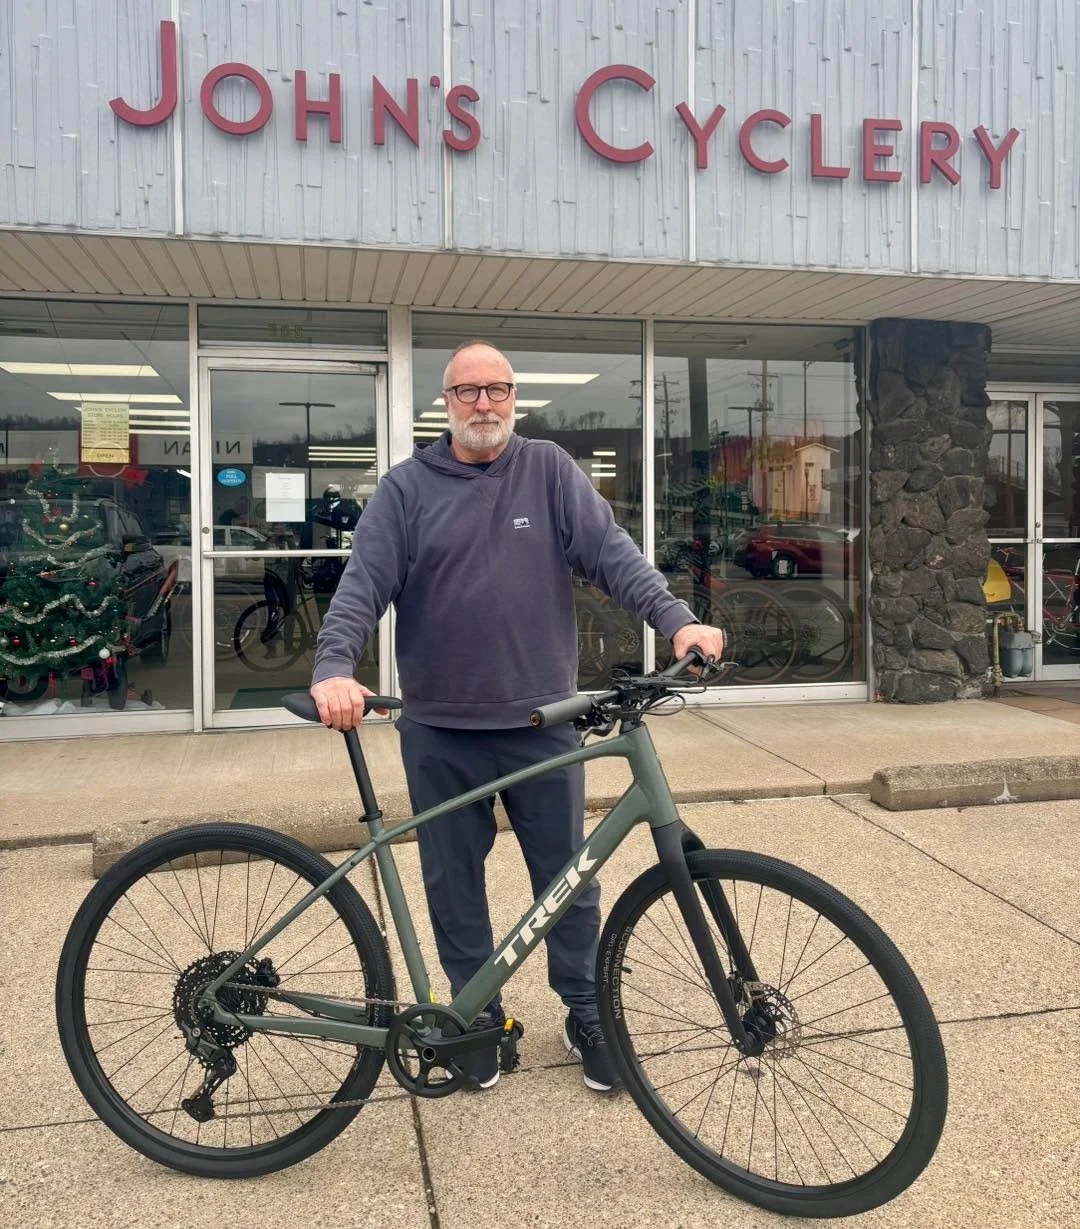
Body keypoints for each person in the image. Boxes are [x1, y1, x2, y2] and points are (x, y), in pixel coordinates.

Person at [310, 340, 725, 1093]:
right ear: (447, 403)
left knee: (569, 877)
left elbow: (613, 554)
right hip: (440, 729)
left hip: (543, 723)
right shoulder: (406, 490)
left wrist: (677, 619)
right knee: (452, 882)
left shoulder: (549, 471)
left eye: (496, 390)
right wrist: (335, 668)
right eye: (467, 392)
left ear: (513, 396)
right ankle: (476, 1018)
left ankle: (585, 1008)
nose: (483, 404)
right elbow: (360, 587)